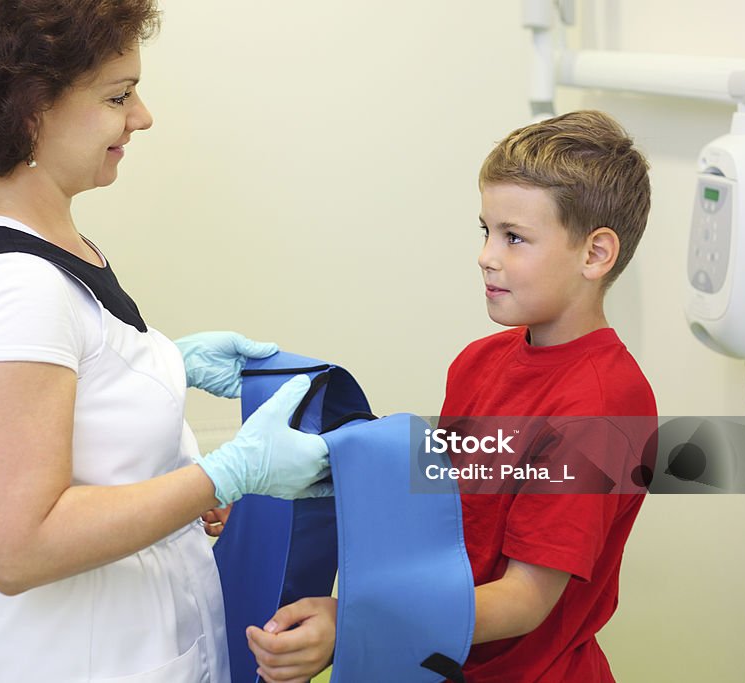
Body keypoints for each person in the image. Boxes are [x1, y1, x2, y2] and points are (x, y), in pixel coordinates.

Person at [0, 2, 331, 681]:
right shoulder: (18, 291)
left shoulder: (36, 247)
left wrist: (159, 367)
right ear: (30, 109)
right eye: (117, 96)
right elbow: (17, 547)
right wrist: (221, 475)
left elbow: (66, 411)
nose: (141, 116)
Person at [248, 110, 656, 682]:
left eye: (515, 237)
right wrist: (284, 477)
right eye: (485, 230)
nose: (487, 255)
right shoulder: (479, 362)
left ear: (594, 255)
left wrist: (359, 622)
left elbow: (524, 599)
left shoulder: (601, 405)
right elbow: (440, 505)